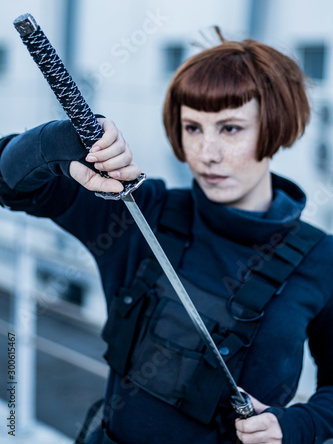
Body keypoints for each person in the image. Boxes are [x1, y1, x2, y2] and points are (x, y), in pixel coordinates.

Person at [0, 33, 332, 444]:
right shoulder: (140, 209)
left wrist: (298, 426)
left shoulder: (321, 259)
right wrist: (56, 143)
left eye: (230, 128)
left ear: (276, 126)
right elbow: (8, 182)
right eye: (192, 127)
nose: (206, 152)